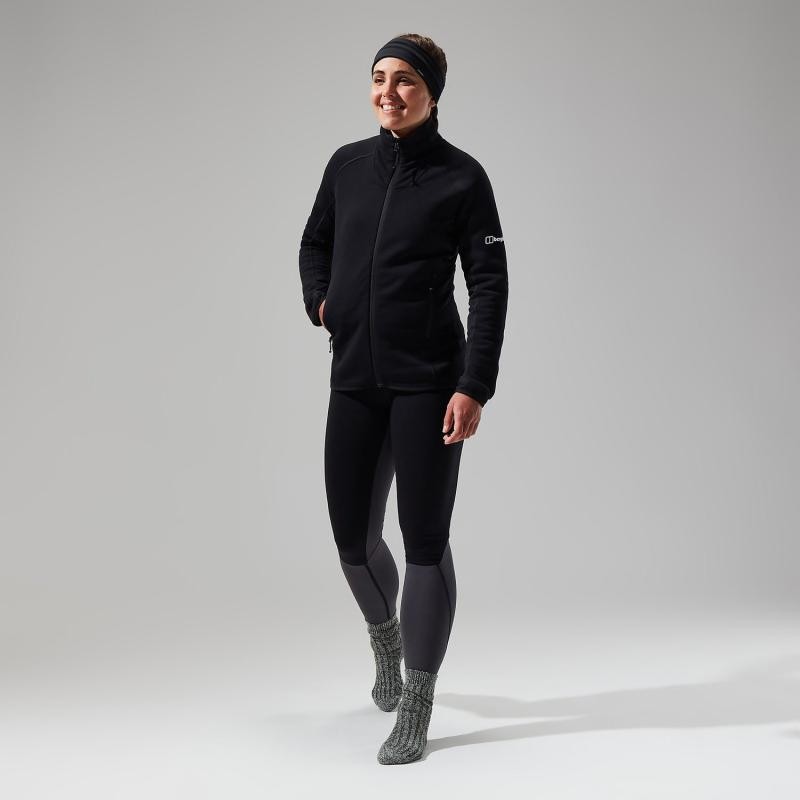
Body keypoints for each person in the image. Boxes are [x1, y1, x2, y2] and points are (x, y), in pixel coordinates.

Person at [298, 33, 509, 764]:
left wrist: (473, 384)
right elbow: (314, 242)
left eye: (406, 81)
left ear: (432, 94)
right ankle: (386, 643)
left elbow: (489, 285)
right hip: (354, 378)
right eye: (379, 78)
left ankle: (417, 701)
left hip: (429, 384)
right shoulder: (347, 165)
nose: (388, 92)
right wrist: (321, 301)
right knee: (352, 541)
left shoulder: (462, 177)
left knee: (423, 540)